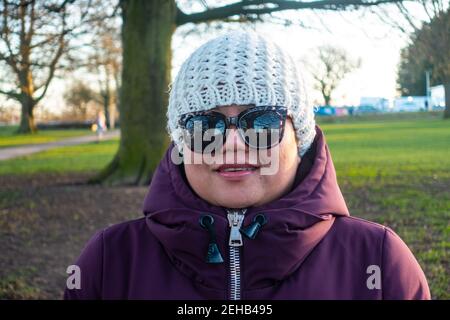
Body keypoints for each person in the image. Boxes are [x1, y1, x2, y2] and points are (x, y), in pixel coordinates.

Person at [65, 31, 430, 300]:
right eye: (206, 125)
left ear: (298, 136)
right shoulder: (109, 262)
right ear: (181, 143)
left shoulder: (379, 262)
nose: (233, 143)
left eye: (262, 122)